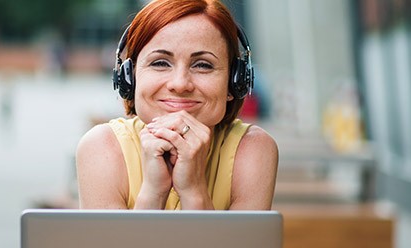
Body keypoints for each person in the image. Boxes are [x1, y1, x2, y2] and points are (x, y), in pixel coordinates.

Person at [76, 0, 278, 210]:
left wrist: (194, 190)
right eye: (160, 63)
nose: (180, 84)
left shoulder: (254, 149)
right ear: (129, 78)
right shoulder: (102, 147)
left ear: (234, 82)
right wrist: (154, 192)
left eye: (203, 65)